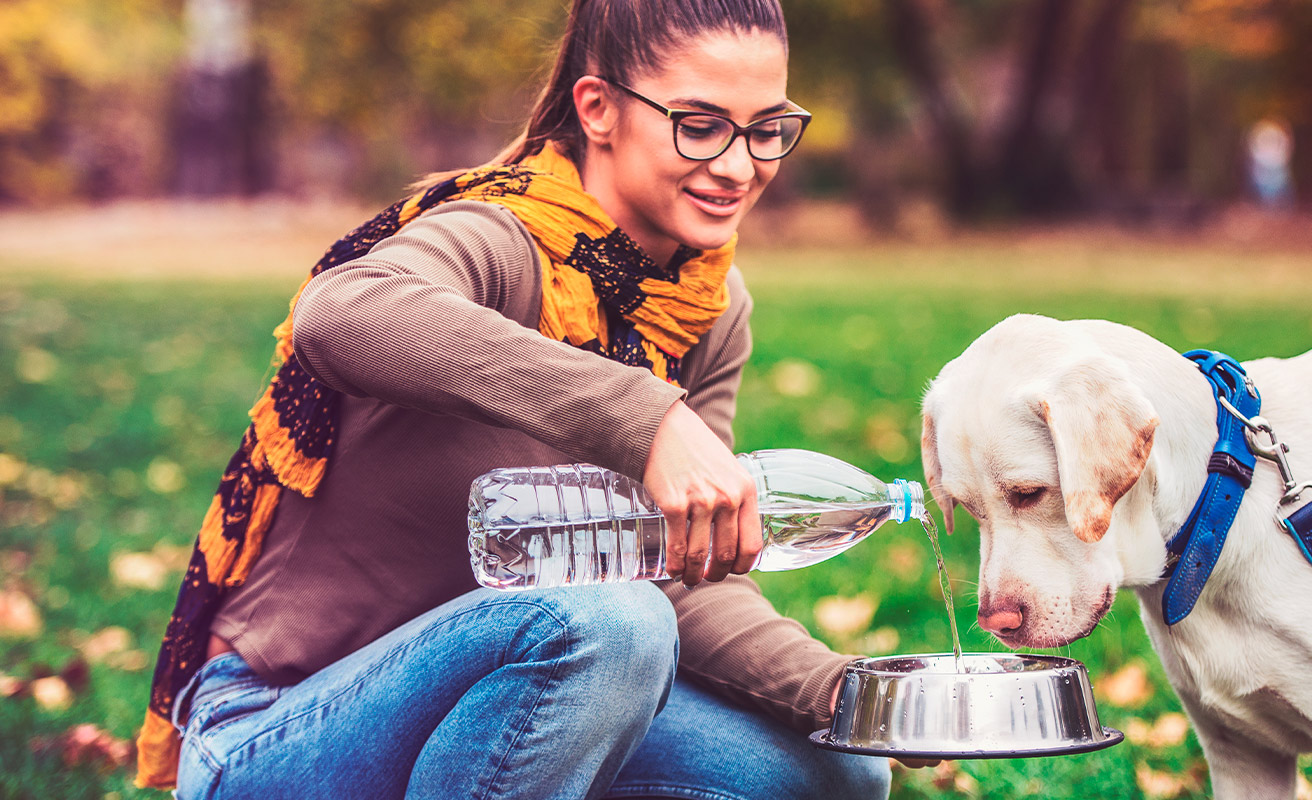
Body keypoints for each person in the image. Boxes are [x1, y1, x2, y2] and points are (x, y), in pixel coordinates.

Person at [133, 1, 894, 798]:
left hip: (512, 695)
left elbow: (679, 567)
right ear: (598, 108)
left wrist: (847, 693)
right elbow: (342, 311)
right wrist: (646, 416)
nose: (740, 167)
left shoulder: (706, 305)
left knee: (840, 768)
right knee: (610, 625)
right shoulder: (501, 240)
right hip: (281, 728)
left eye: (766, 129)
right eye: (700, 125)